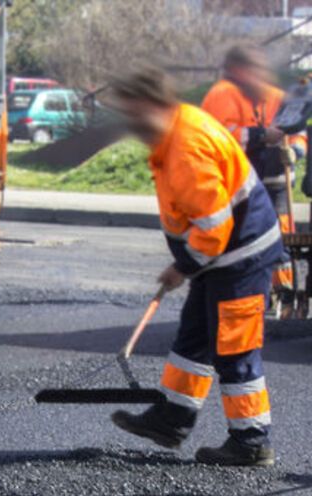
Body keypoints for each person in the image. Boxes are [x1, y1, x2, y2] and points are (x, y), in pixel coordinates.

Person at [108, 66, 285, 467]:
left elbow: (214, 227)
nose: (131, 125)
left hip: (240, 255)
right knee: (194, 336)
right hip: (221, 258)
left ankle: (252, 441)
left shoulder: (186, 146)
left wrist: (182, 266)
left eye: (133, 114)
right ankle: (171, 419)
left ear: (154, 103)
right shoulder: (175, 129)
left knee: (233, 349)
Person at [201, 45, 303, 304]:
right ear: (238, 70)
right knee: (248, 238)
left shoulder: (276, 96)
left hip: (276, 178)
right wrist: (260, 136)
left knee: (280, 235)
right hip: (242, 181)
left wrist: (295, 151)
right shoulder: (223, 94)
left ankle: (284, 291)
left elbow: (298, 127)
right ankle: (257, 293)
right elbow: (221, 135)